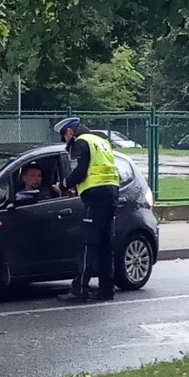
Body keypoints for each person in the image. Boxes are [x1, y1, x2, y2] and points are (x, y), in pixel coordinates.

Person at [52, 117, 120, 302]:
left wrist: (63, 185)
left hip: (95, 197)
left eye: (64, 138)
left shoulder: (80, 142)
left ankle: (79, 290)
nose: (65, 142)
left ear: (68, 132)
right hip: (112, 193)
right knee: (106, 245)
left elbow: (79, 171)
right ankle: (107, 290)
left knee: (89, 244)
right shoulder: (101, 141)